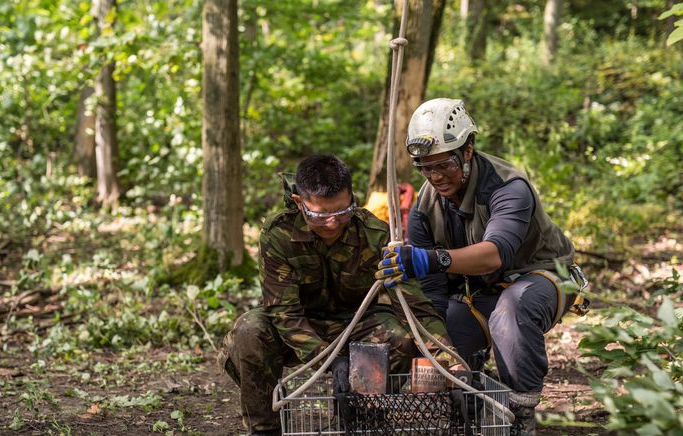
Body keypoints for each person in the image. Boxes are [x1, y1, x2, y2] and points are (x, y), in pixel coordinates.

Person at [376, 98, 586, 435]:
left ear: (468, 150)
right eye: (425, 167)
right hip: (482, 291)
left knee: (511, 311)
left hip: (542, 279)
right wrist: (441, 350)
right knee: (450, 320)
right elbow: (433, 291)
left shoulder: (507, 187)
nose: (435, 176)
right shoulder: (424, 208)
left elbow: (496, 254)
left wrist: (433, 258)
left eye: (444, 164)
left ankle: (522, 414)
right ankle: (470, 401)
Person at [220, 154, 450, 436]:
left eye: (342, 212)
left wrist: (450, 365)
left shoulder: (374, 234)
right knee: (249, 329)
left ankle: (362, 419)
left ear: (352, 198)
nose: (332, 223)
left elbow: (415, 306)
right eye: (320, 215)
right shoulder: (278, 234)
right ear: (298, 203)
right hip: (300, 326)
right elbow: (283, 313)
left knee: (398, 337)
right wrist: (331, 359)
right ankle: (264, 429)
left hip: (356, 324)